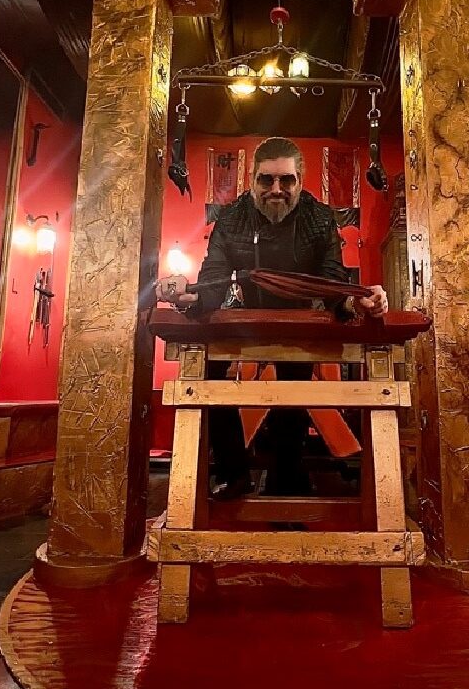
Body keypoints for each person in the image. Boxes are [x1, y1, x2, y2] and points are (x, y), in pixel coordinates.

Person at [156, 137, 388, 498]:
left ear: (300, 180)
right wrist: (189, 297)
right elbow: (213, 279)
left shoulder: (318, 217)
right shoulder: (231, 218)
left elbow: (332, 280)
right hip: (248, 318)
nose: (276, 189)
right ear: (253, 180)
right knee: (208, 373)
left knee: (290, 405)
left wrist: (359, 302)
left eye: (286, 180)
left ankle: (286, 485)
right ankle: (234, 473)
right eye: (267, 180)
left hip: (299, 320)